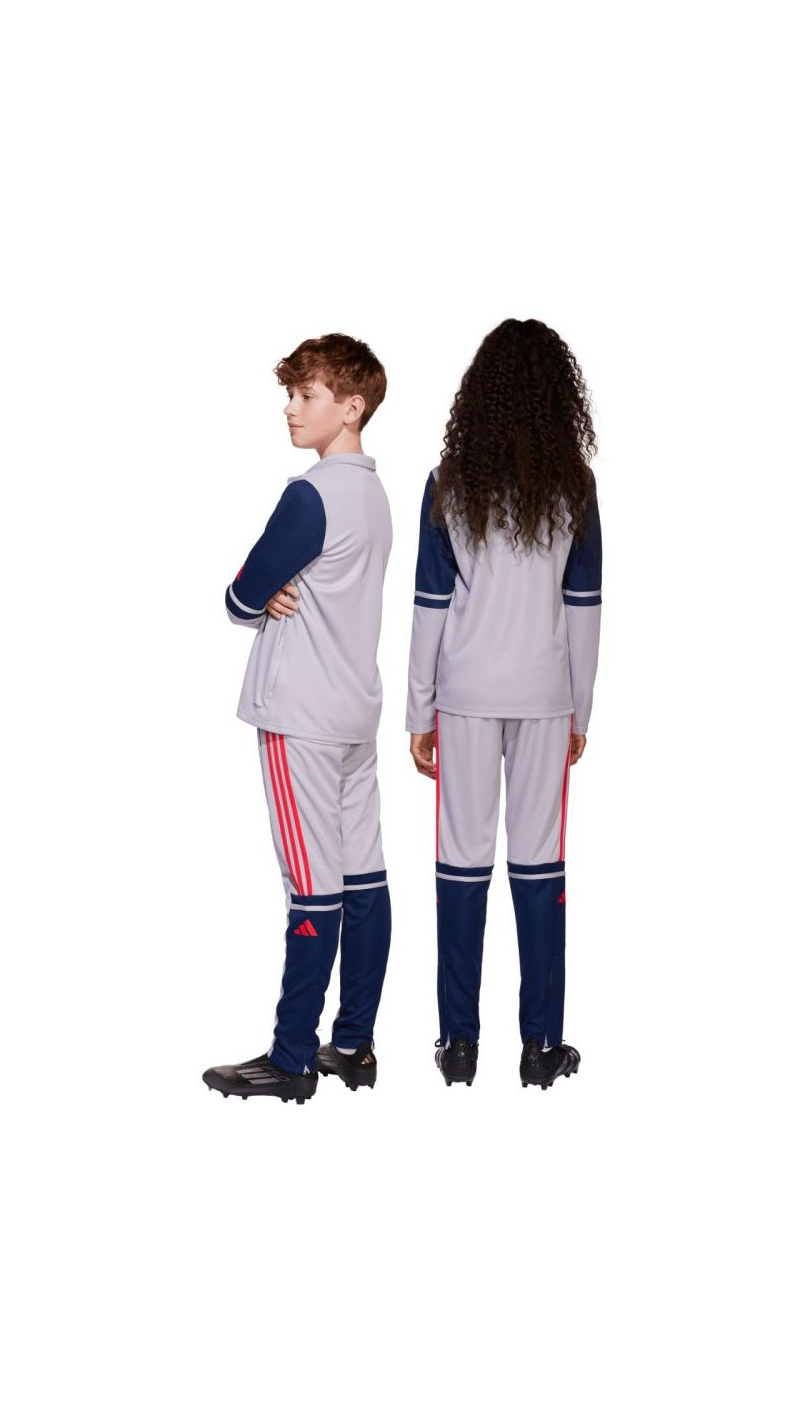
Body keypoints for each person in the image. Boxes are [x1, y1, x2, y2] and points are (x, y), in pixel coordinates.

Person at [405, 318, 602, 1091]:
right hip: (545, 695)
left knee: (460, 862)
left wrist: (419, 711)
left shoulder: (449, 482)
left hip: (464, 694)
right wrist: (581, 711)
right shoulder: (574, 486)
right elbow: (583, 607)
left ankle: (458, 1044)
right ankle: (540, 1047)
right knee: (539, 862)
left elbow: (430, 604)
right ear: (559, 394)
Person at [203, 333, 393, 1104]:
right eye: (290, 394)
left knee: (312, 887)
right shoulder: (376, 497)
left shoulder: (310, 495)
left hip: (300, 713)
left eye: (307, 395)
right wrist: (277, 587)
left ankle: (290, 1059)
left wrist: (266, 592)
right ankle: (353, 1043)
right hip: (354, 710)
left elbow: (241, 595)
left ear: (352, 407)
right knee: (364, 878)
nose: (290, 408)